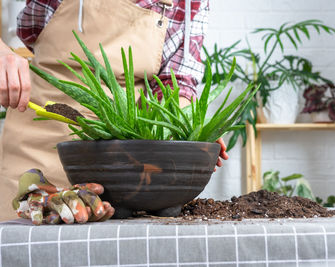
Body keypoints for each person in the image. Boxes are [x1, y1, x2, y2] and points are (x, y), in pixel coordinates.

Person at [0, 0, 228, 222]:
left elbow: (175, 82)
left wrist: (185, 123)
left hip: (123, 169)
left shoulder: (189, 3)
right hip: (39, 143)